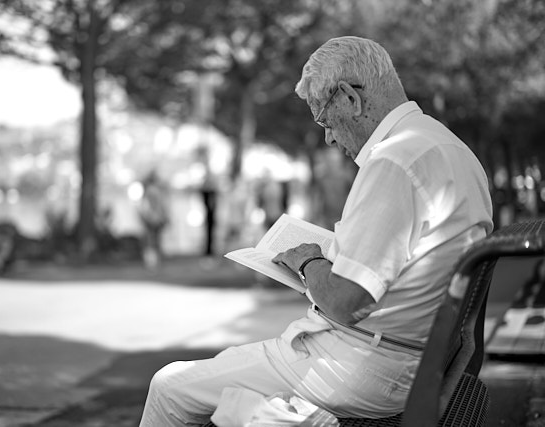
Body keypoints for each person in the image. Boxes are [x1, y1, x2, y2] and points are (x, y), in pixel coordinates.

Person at [139, 36, 493, 426]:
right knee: (233, 401)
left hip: (361, 367)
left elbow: (347, 301)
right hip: (413, 358)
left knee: (170, 386)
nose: (327, 136)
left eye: (324, 119)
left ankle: (299, 420)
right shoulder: (451, 148)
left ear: (349, 98)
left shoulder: (395, 160)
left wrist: (309, 260)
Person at [138, 172, 169, 269]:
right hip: (155, 218)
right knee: (155, 240)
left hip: (151, 218)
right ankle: (154, 261)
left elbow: (145, 206)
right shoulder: (156, 191)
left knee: (151, 240)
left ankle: (151, 261)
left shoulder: (149, 191)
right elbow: (160, 206)